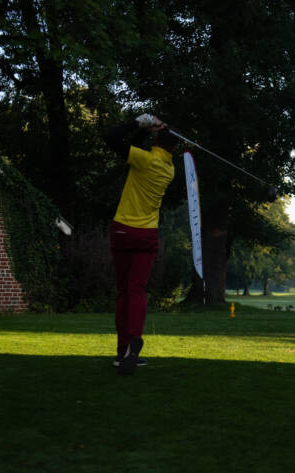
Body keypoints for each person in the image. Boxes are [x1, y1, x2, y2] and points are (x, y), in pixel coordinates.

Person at [104, 114, 178, 375]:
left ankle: (122, 349)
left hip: (123, 230)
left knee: (124, 292)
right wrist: (152, 132)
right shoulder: (169, 169)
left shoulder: (144, 160)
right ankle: (132, 344)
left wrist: (138, 124)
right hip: (147, 234)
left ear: (156, 140)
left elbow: (111, 139)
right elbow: (137, 148)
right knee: (137, 290)